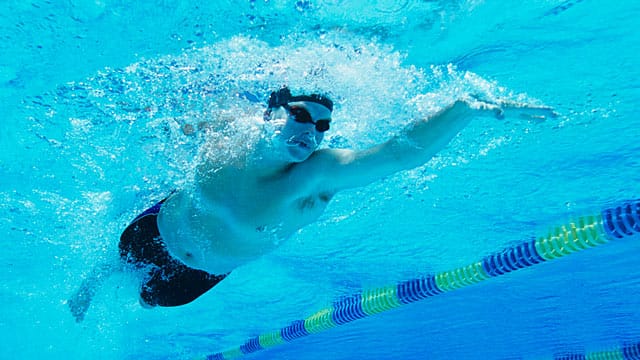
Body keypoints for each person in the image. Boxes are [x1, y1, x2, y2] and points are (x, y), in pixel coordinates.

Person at [68, 86, 555, 321]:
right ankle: (90, 284)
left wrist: (463, 109)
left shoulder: (314, 176)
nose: (312, 131)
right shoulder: (228, 130)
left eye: (322, 126)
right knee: (118, 261)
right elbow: (171, 123)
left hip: (202, 273)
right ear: (269, 115)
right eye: (301, 116)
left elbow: (398, 155)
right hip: (156, 226)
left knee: (149, 300)